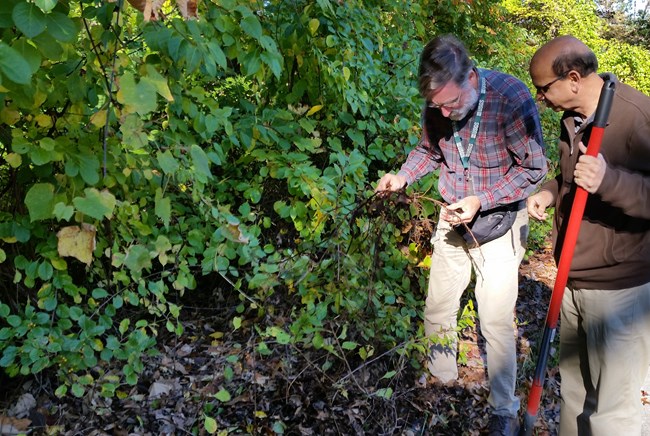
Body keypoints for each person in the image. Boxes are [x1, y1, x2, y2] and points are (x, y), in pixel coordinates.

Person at [376, 34, 547, 435]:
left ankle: (503, 408)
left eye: (451, 103)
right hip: (452, 218)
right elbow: (428, 151)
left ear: (471, 76)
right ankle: (442, 381)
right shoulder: (438, 101)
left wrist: (482, 199)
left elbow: (534, 170)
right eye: (437, 105)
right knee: (438, 306)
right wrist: (402, 176)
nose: (446, 112)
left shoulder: (510, 97)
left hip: (500, 223)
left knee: (496, 320)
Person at [527, 35, 650, 436]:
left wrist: (610, 181)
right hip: (573, 280)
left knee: (615, 411)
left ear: (574, 78)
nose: (540, 98)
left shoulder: (636, 116)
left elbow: (610, 183)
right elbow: (568, 178)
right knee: (575, 395)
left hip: (619, 293)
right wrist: (548, 191)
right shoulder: (574, 120)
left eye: (544, 88)